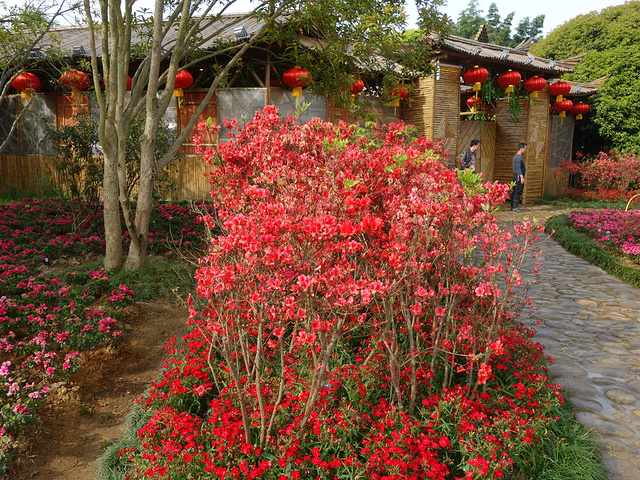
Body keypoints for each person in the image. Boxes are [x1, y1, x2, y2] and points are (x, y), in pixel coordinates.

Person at [511, 142, 527, 212]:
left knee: (516, 191)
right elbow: (518, 168)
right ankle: (515, 207)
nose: (525, 151)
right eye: (525, 149)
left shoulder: (517, 157)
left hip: (517, 175)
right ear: (521, 148)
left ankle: (513, 207)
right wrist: (521, 177)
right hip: (518, 176)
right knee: (517, 191)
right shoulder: (518, 157)